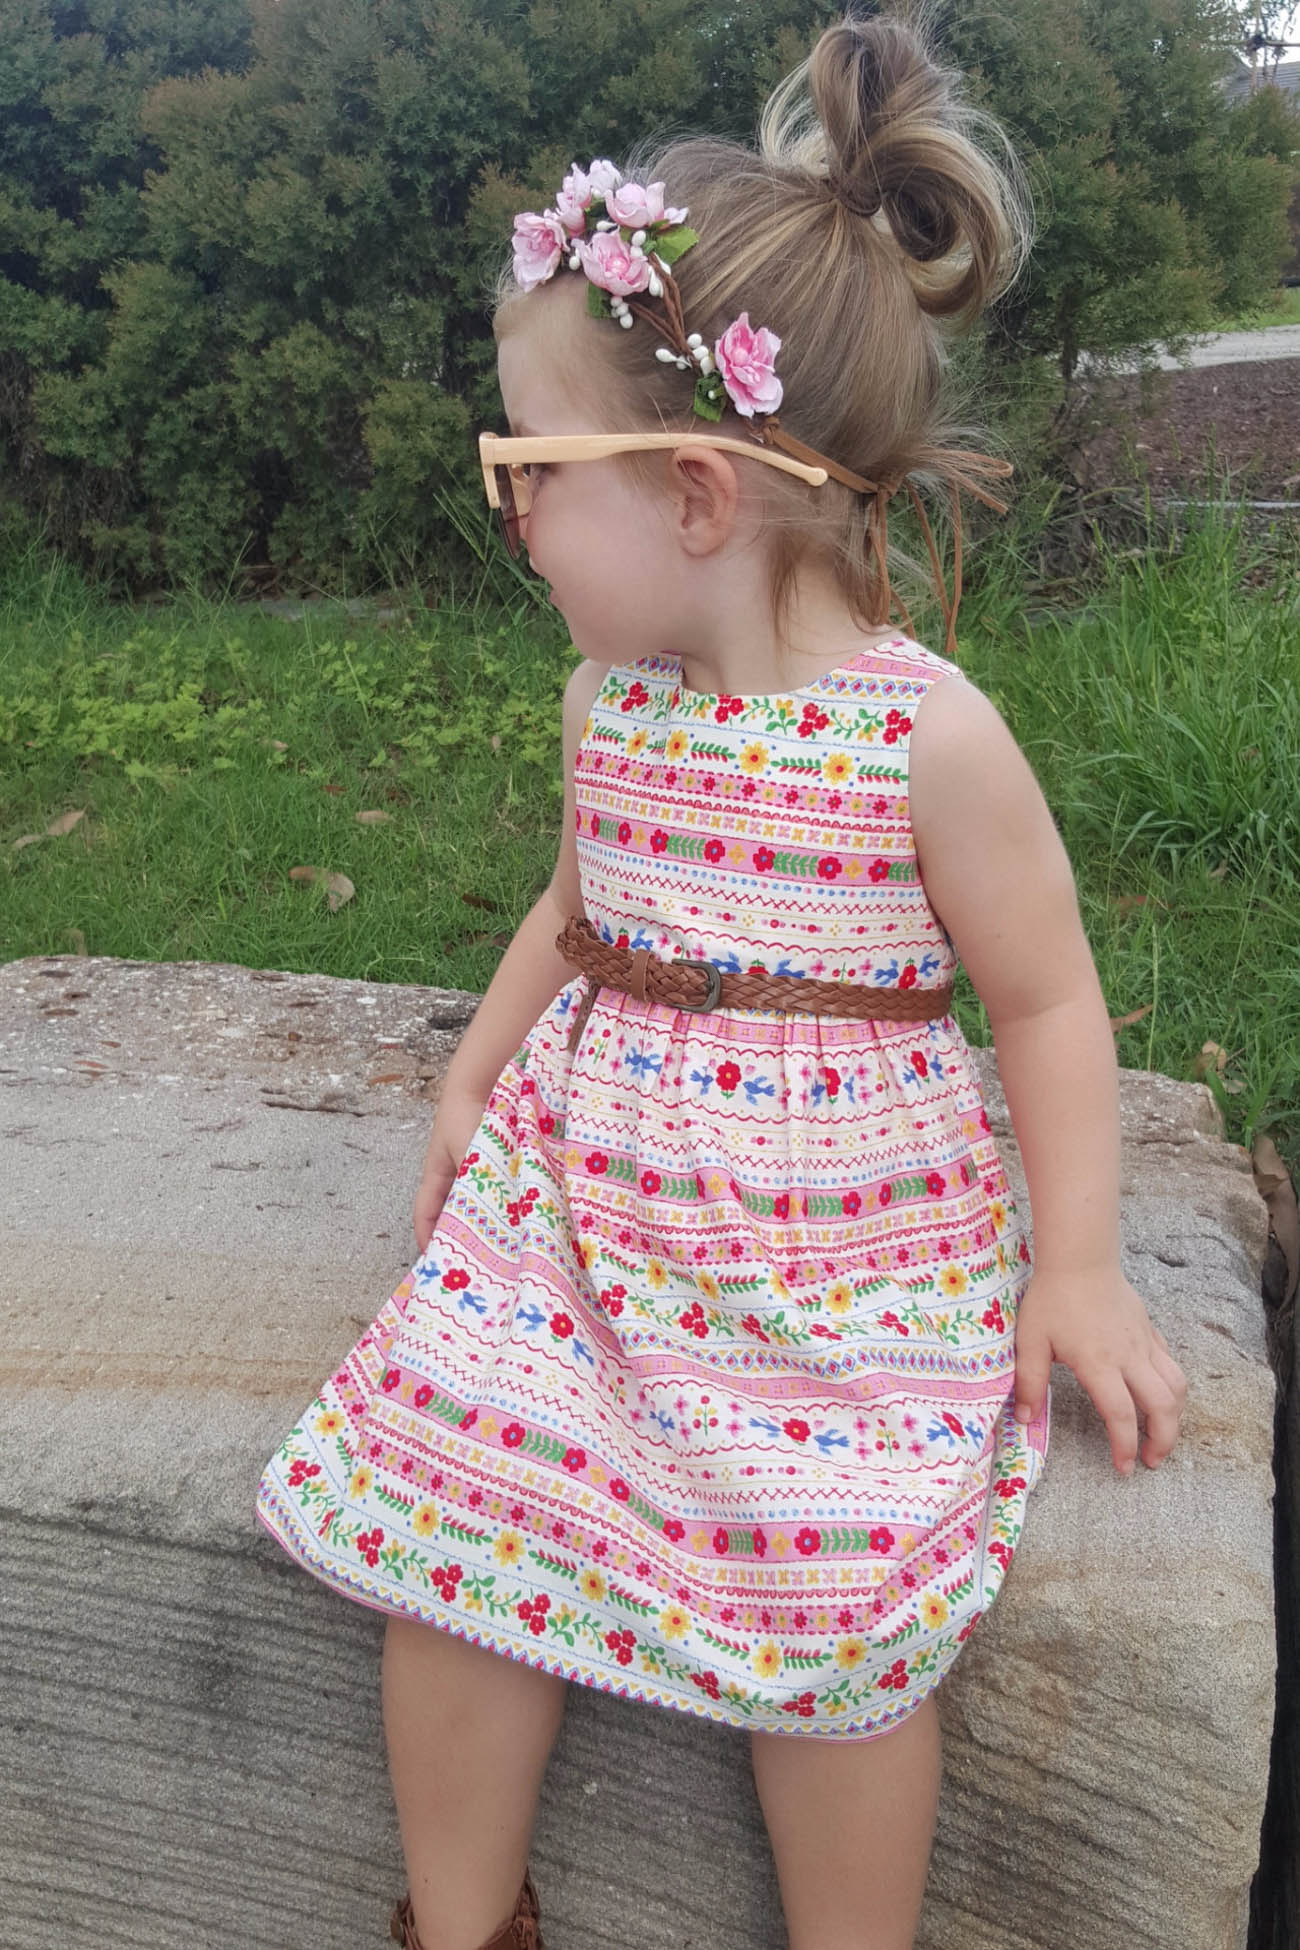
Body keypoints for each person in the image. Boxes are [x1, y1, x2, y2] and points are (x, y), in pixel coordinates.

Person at [255, 8, 1189, 1948]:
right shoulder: (613, 703)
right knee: (450, 1516)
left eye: (527, 467)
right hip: (587, 1216)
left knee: (837, 1602)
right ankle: (462, 1921)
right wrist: (474, 1073)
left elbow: (1044, 999)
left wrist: (1080, 1262)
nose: (509, 512)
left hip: (834, 1256)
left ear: (692, 493)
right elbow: (572, 910)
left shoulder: (924, 739)